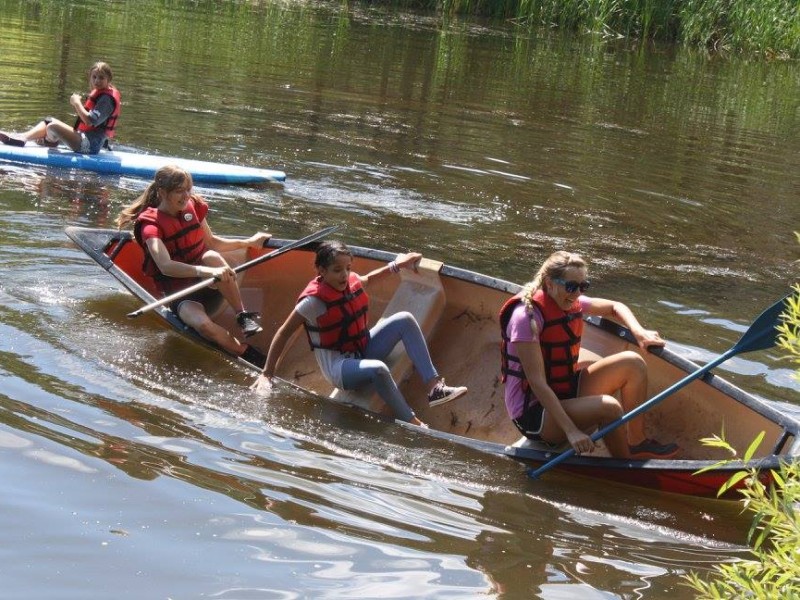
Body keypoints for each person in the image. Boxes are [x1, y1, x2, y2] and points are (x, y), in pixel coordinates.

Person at [252, 240, 467, 427]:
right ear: (321, 271)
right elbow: (283, 333)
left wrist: (398, 265)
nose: (344, 274)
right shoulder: (313, 302)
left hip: (362, 348)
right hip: (340, 370)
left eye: (347, 268)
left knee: (405, 320)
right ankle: (412, 422)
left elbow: (370, 279)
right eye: (337, 270)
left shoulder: (350, 281)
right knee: (379, 369)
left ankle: (434, 388)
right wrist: (267, 373)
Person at [499, 250, 679, 459]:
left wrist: (639, 332)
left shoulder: (569, 301)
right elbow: (537, 383)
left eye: (583, 286)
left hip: (564, 391)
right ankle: (624, 465)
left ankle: (637, 443)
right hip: (534, 414)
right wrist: (571, 432)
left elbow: (614, 307)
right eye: (571, 286)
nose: (577, 294)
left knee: (633, 363)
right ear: (549, 283)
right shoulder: (525, 318)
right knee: (610, 408)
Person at [116, 165, 269, 367]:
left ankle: (243, 315)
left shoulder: (193, 206)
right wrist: (207, 271)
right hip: (182, 295)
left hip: (210, 284)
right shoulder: (150, 226)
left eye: (189, 189)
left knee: (212, 255)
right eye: (179, 191)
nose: (186, 195)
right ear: (162, 192)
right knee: (204, 326)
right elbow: (165, 266)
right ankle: (250, 355)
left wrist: (248, 242)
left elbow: (212, 242)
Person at [0, 61, 120, 154]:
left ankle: (48, 140)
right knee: (48, 121)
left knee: (53, 127)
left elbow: (90, 121)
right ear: (90, 77)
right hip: (83, 137)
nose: (97, 81)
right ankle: (23, 138)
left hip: (90, 145)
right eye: (94, 77)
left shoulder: (107, 100)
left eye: (101, 78)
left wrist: (76, 103)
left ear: (108, 79)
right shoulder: (101, 94)